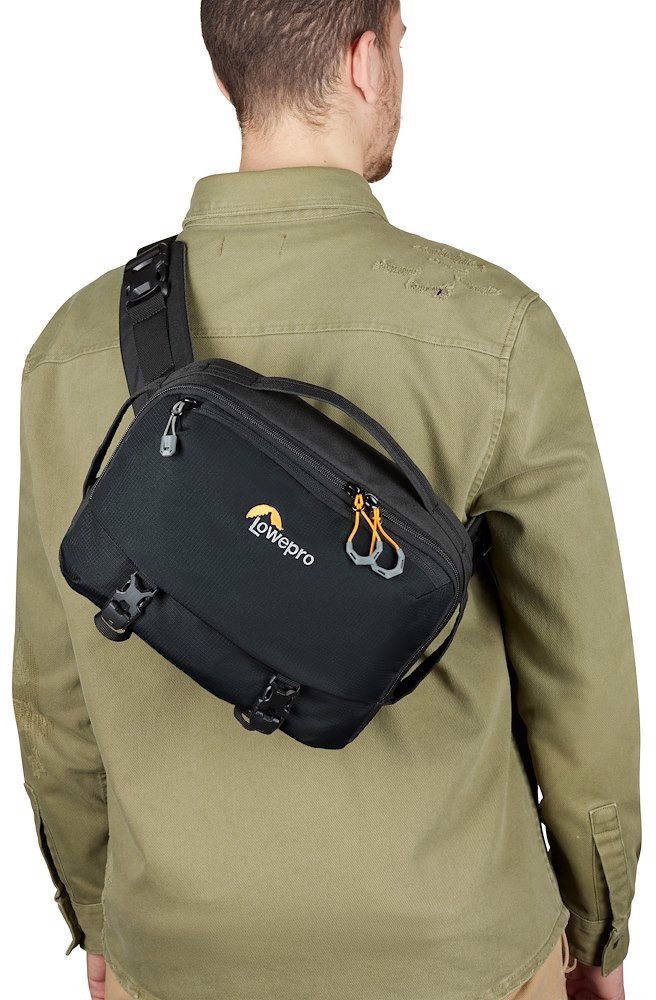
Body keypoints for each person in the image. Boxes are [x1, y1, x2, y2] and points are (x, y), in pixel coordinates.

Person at [13, 2, 640, 999]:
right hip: (461, 953)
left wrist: (100, 919)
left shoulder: (72, 348)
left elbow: (53, 699)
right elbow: (581, 684)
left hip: (178, 955)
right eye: (401, 43)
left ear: (225, 75)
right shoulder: (497, 333)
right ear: (365, 63)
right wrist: (597, 931)